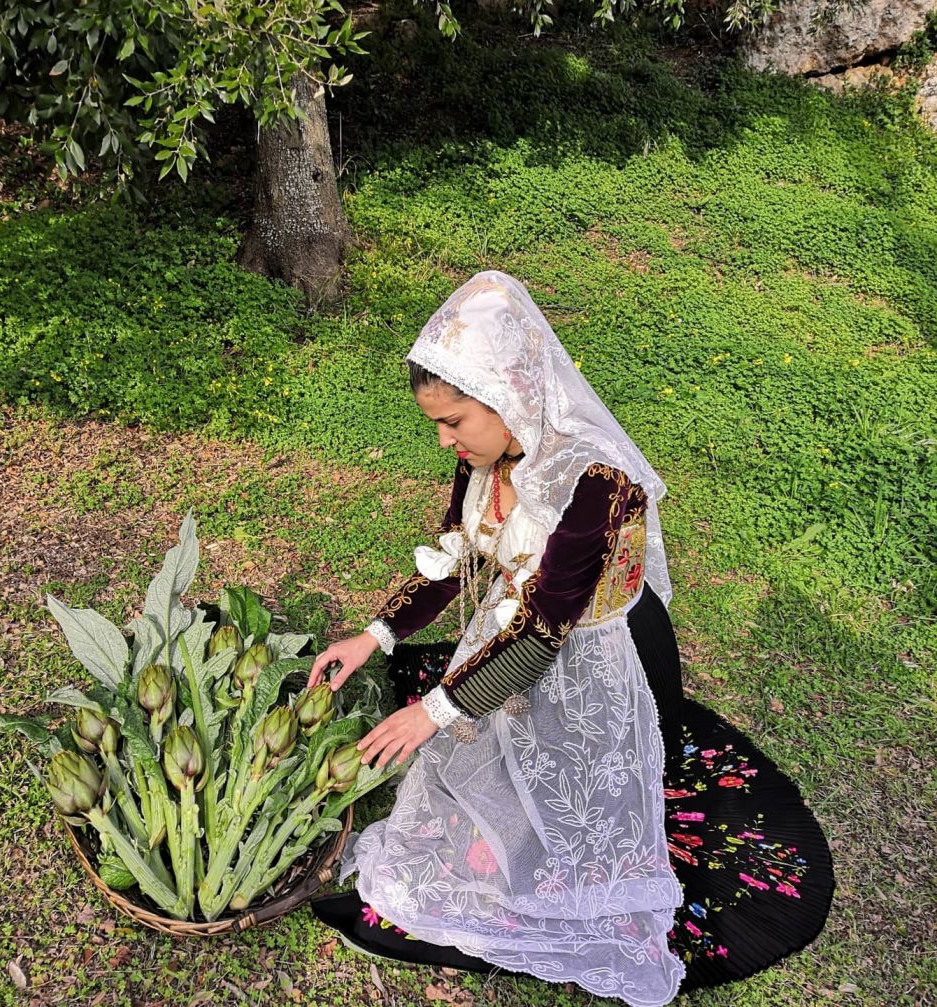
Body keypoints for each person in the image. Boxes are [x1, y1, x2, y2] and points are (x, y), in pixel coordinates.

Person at [307, 271, 834, 1005]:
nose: (444, 439)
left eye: (454, 420)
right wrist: (374, 635)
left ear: (509, 392)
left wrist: (432, 709)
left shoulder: (595, 479)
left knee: (551, 822)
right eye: (436, 422)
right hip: (519, 635)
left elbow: (543, 632)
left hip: (605, 652)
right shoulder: (484, 457)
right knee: (476, 775)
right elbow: (456, 555)